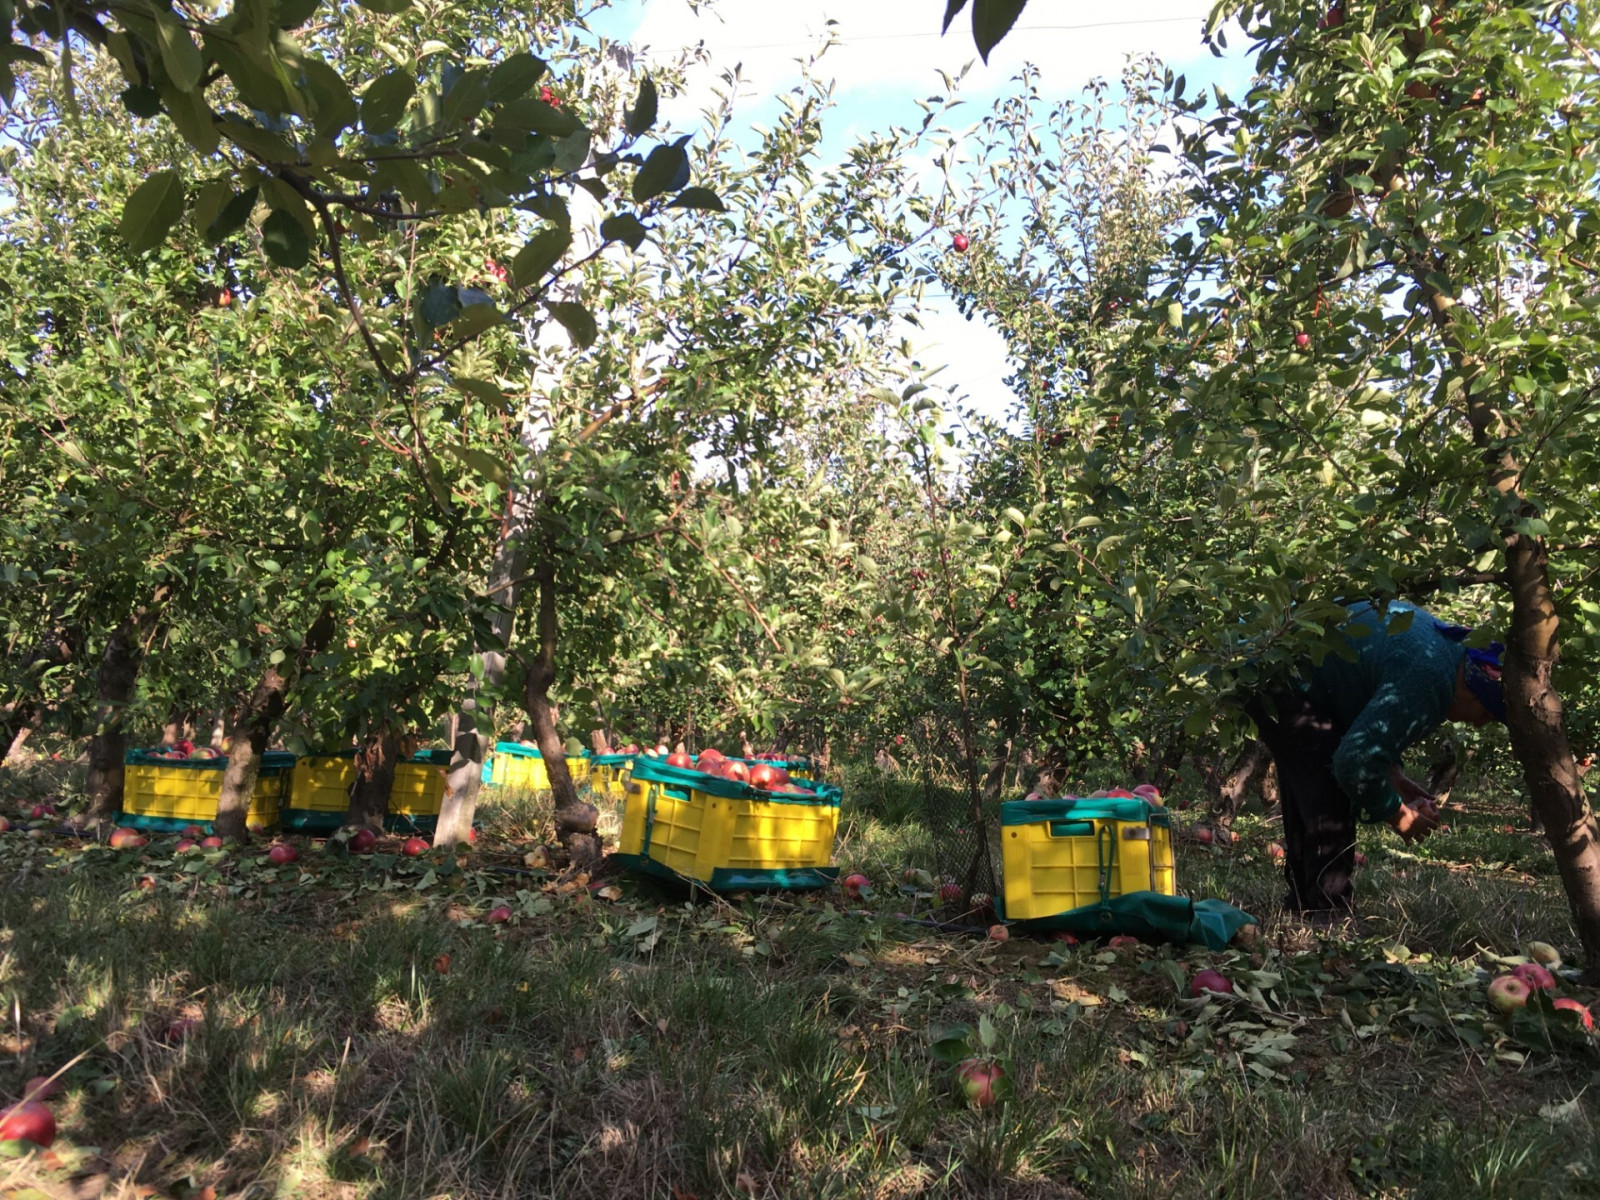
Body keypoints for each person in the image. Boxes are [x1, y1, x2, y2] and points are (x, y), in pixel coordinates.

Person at [1247, 600, 1505, 915]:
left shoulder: (1443, 655)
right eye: (1487, 712)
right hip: (1284, 673)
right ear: (1472, 688)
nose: (1480, 724)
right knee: (1326, 789)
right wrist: (1398, 815)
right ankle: (1328, 909)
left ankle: (1306, 902)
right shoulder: (1433, 679)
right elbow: (1353, 762)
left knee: (1309, 781)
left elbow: (1365, 713)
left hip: (1271, 659)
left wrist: (1393, 777)